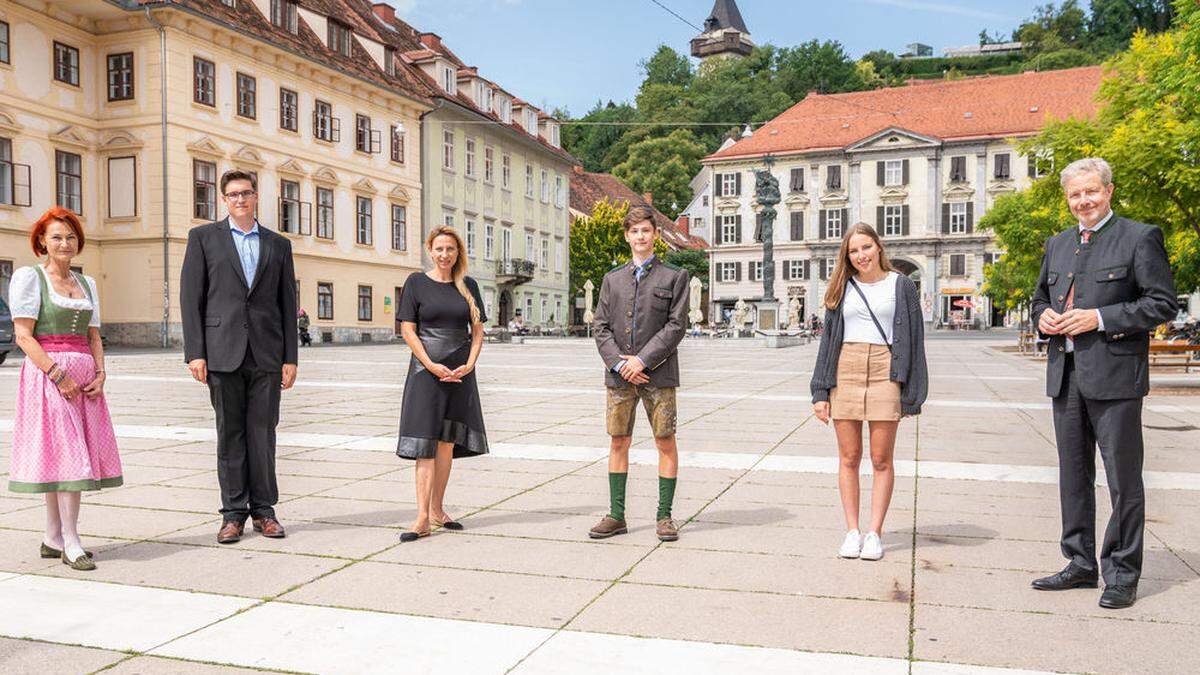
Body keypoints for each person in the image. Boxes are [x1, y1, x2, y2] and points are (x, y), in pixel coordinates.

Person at [1029, 158, 1177, 609]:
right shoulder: (1057, 244)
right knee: (1073, 476)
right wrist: (1043, 317)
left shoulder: (1139, 237)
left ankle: (1122, 572)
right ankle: (1079, 563)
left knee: (1123, 481)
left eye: (1091, 191)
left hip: (1116, 378)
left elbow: (1161, 303)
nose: (1083, 201)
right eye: (1075, 195)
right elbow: (1038, 297)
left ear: (1109, 190)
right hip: (1066, 376)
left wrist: (1098, 317)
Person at [180, 170, 298, 544]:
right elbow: (191, 299)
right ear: (223, 200)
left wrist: (290, 357)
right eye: (233, 195)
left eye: (246, 193)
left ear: (256, 196)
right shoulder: (203, 239)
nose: (240, 200)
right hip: (222, 352)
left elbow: (287, 304)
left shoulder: (278, 245)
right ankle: (232, 514)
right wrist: (195, 352)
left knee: (262, 435)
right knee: (229, 436)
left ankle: (264, 511)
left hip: (266, 352)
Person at [8, 207, 122, 571]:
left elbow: (93, 335)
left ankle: (53, 535)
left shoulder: (86, 284)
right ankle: (71, 541)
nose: (64, 243)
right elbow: (23, 336)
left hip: (85, 380)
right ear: (42, 241)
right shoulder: (30, 278)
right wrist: (58, 375)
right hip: (48, 378)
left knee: (70, 454)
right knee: (69, 457)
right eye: (56, 236)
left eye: (70, 236)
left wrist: (101, 373)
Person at [810, 223, 927, 561]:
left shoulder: (901, 285)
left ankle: (874, 532)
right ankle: (852, 531)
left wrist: (911, 393)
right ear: (847, 256)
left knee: (880, 458)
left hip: (885, 370)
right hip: (845, 367)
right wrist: (820, 390)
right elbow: (827, 342)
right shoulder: (842, 287)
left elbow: (915, 340)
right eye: (853, 250)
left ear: (878, 247)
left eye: (866, 247)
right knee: (848, 457)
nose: (861, 255)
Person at [590, 206, 690, 542]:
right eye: (634, 232)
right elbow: (600, 326)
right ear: (627, 236)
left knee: (665, 441)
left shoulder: (675, 277)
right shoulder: (612, 279)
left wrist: (642, 361)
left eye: (646, 230)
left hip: (658, 376)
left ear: (656, 235)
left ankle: (665, 515)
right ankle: (616, 515)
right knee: (618, 441)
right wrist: (620, 363)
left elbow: (677, 326)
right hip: (619, 377)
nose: (641, 237)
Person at [395, 226, 488, 542]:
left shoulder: (468, 285)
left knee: (447, 443)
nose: (445, 254)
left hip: (460, 373)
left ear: (458, 252)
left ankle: (437, 509)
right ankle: (421, 517)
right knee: (426, 443)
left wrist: (471, 364)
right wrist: (430, 364)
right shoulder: (416, 283)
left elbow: (477, 331)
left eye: (450, 249)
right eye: (439, 249)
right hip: (426, 372)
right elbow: (408, 330)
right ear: (429, 251)